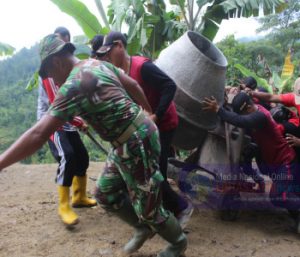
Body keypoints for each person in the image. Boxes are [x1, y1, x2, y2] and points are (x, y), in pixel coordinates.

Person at [0, 34, 187, 257]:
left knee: (148, 208)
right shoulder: (97, 63)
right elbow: (133, 84)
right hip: (127, 141)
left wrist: (1, 162)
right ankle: (142, 228)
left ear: (56, 62)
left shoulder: (72, 86)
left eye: (50, 75)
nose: (53, 81)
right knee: (105, 194)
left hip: (137, 141)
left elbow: (39, 133)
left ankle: (177, 244)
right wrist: (146, 111)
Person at [96, 31, 193, 228]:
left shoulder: (142, 67)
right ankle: (164, 211)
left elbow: (169, 86)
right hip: (147, 127)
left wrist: (156, 114)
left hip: (164, 124)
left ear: (119, 46)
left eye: (109, 51)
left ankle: (182, 207)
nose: (107, 56)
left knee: (154, 171)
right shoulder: (120, 72)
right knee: (151, 170)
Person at [203, 92, 300, 232]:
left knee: (277, 196)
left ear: (248, 107)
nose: (243, 116)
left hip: (285, 162)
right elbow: (238, 117)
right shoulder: (254, 111)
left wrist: (218, 110)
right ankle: (297, 216)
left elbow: (241, 121)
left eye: (242, 113)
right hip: (274, 162)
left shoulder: (260, 116)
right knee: (285, 192)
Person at [37, 27, 95, 227]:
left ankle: (79, 197)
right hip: (51, 121)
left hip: (67, 121)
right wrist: (79, 121)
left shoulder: (70, 70)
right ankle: (63, 205)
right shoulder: (50, 71)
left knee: (82, 157)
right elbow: (57, 103)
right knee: (67, 156)